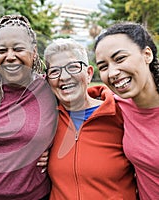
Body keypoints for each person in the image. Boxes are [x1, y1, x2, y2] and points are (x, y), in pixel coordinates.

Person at [0, 15, 57, 200]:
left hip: (37, 196)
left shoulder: (49, 88)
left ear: (34, 52)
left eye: (18, 49)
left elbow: (81, 103)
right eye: (2, 50)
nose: (10, 56)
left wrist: (57, 154)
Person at [44, 38, 137, 199]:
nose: (64, 77)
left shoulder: (123, 113)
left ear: (88, 73)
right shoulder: (47, 121)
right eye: (54, 71)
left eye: (73, 67)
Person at [94, 21, 159, 200]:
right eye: (104, 66)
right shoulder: (118, 105)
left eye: (120, 58)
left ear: (147, 55)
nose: (113, 72)